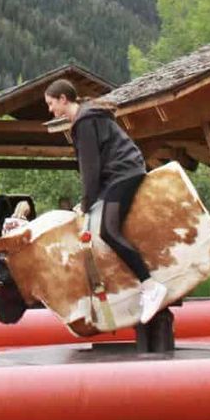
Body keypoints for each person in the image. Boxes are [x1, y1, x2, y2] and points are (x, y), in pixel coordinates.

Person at [44, 78, 166, 324]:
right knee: (107, 229)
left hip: (123, 173)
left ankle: (150, 286)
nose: (50, 110)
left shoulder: (84, 123)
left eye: (50, 104)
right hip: (121, 173)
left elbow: (91, 168)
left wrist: (87, 203)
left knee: (109, 231)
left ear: (63, 99)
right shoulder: (88, 117)